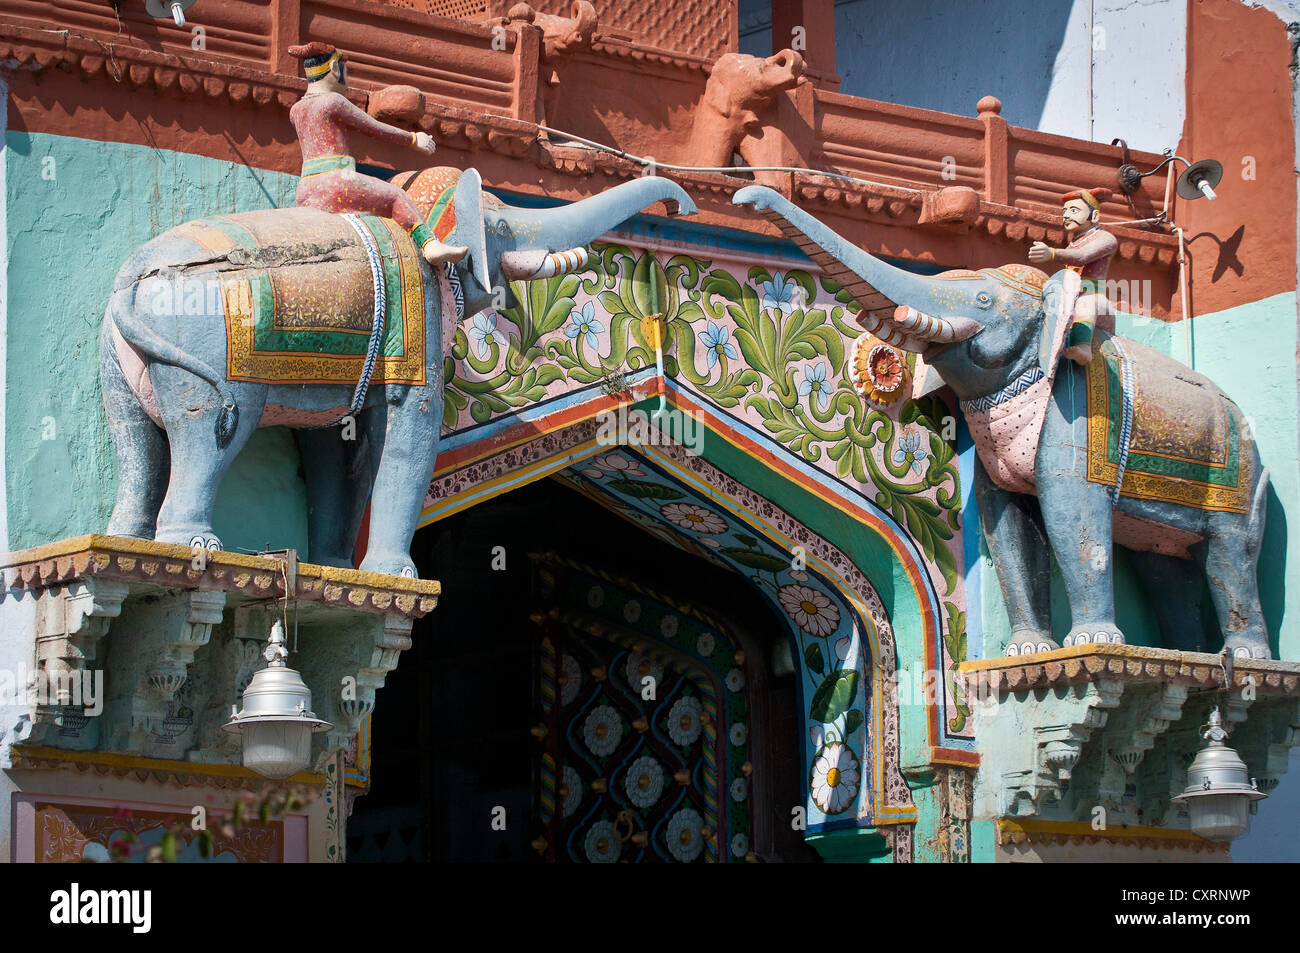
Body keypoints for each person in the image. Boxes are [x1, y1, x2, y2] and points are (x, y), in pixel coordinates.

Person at [287, 42, 467, 267]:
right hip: (338, 183)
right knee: (396, 197)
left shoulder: (296, 110)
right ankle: (430, 244)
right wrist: (413, 139)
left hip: (305, 190)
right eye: (345, 70)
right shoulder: (333, 102)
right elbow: (373, 127)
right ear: (334, 69)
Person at [1028, 187, 1119, 365]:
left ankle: (1084, 347)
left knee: (1086, 302)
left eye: (1074, 210)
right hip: (1071, 300)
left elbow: (1083, 256)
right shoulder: (1072, 244)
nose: (1066, 215)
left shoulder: (1105, 238)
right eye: (1065, 211)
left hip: (1095, 302)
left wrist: (1052, 254)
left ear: (1095, 217)